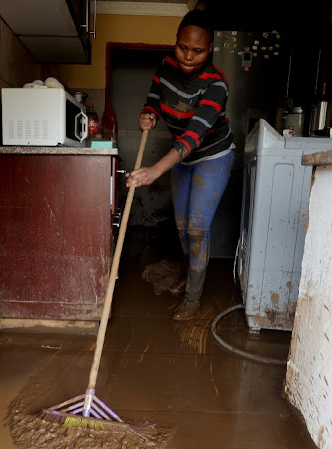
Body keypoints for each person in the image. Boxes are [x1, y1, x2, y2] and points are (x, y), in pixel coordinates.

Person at [126, 10, 235, 321]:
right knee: (182, 228)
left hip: (212, 155)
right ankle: (190, 276)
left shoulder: (217, 85)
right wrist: (148, 113)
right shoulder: (165, 67)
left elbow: (192, 137)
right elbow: (154, 97)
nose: (188, 56)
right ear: (175, 42)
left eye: (198, 50)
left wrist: (155, 170)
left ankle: (193, 296)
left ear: (210, 47)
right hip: (182, 158)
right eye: (182, 47)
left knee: (198, 230)